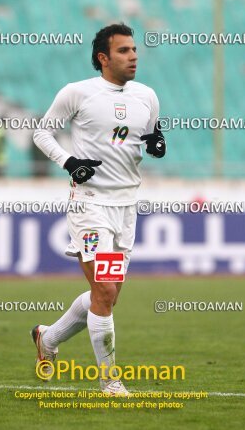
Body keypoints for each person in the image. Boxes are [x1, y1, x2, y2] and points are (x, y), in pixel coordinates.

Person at [31, 23, 166, 395]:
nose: (133, 56)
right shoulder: (78, 93)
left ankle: (48, 337)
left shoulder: (147, 96)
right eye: (123, 51)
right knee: (104, 291)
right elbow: (42, 132)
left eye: (134, 49)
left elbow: (151, 135)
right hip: (91, 205)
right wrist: (70, 162)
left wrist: (157, 144)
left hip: (126, 206)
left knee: (106, 294)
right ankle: (110, 381)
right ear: (103, 58)